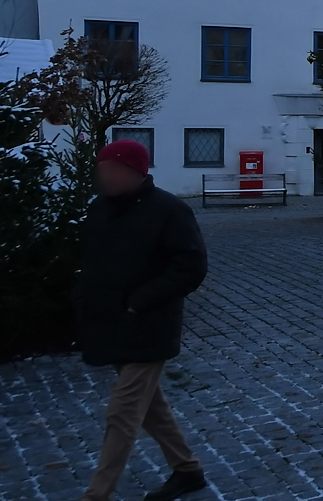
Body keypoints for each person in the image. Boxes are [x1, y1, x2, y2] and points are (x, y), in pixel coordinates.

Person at [75, 139, 209, 501]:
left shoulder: (169, 211)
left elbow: (191, 265)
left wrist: (142, 301)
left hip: (149, 324)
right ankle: (188, 470)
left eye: (115, 170)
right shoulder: (99, 209)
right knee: (151, 408)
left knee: (122, 413)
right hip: (110, 322)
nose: (108, 177)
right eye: (103, 170)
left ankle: (97, 493)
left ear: (138, 172)